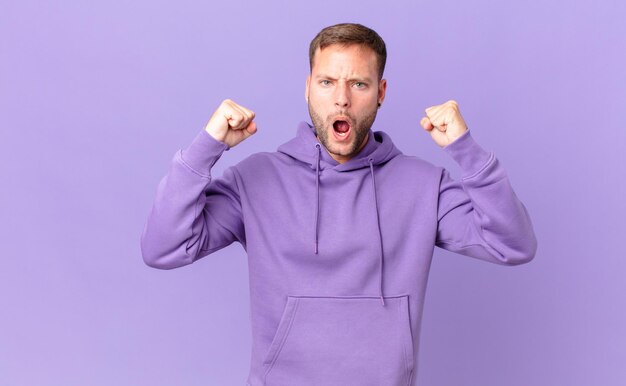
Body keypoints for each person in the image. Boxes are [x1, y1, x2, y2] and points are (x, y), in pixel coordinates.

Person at [140, 22, 537, 386]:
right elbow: (164, 247)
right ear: (308, 86)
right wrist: (204, 149)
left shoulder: (423, 185)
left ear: (380, 93)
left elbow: (513, 244)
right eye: (328, 82)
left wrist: (465, 150)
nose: (342, 100)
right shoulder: (256, 180)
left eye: (359, 84)